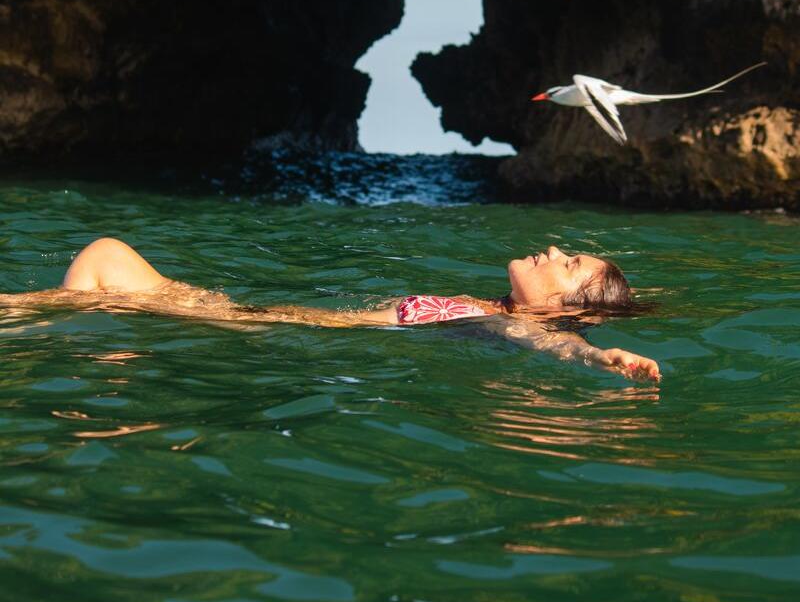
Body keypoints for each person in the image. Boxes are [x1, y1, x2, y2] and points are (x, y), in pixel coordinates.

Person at [0, 237, 660, 380]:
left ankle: (16, 316)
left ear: (566, 305)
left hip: (264, 332)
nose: (552, 250)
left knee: (106, 260)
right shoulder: (489, 306)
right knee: (102, 266)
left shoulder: (509, 322)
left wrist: (600, 354)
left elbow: (550, 346)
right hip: (261, 318)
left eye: (568, 264)